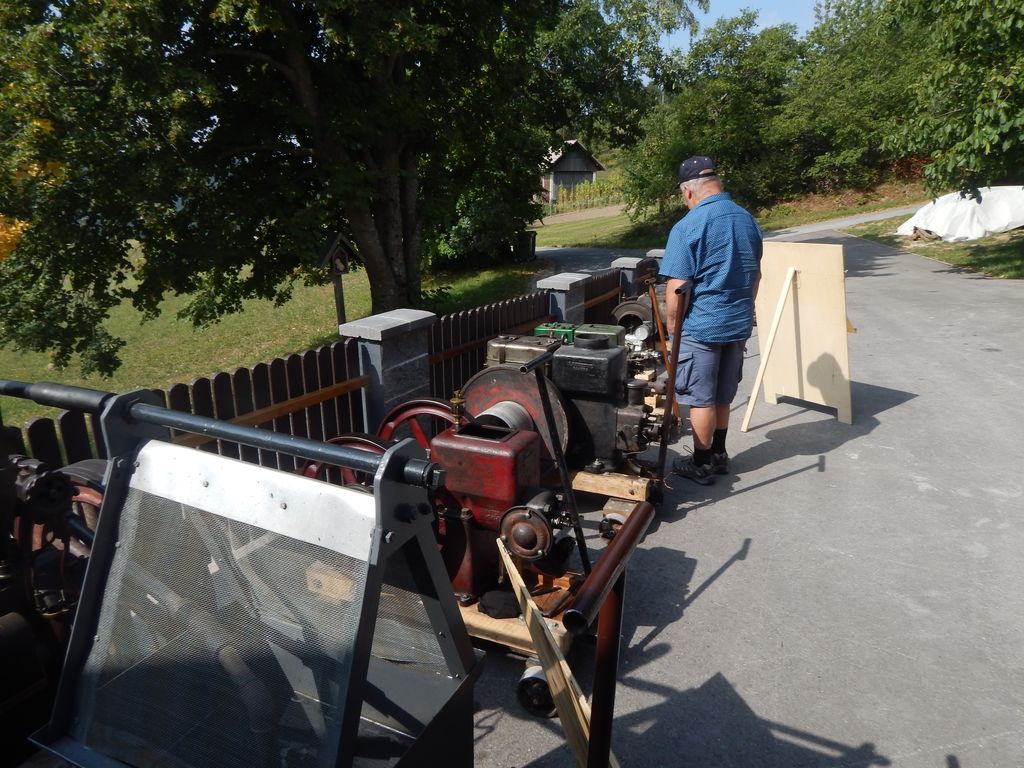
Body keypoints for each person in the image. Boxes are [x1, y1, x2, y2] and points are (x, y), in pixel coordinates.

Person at [660, 156, 762, 485]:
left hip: (701, 327)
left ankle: (701, 463)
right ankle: (719, 454)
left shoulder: (688, 226)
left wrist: (673, 330)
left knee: (701, 398)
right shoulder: (747, 219)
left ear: (688, 191)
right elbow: (756, 276)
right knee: (722, 393)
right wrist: (745, 310)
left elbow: (677, 288)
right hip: (737, 323)